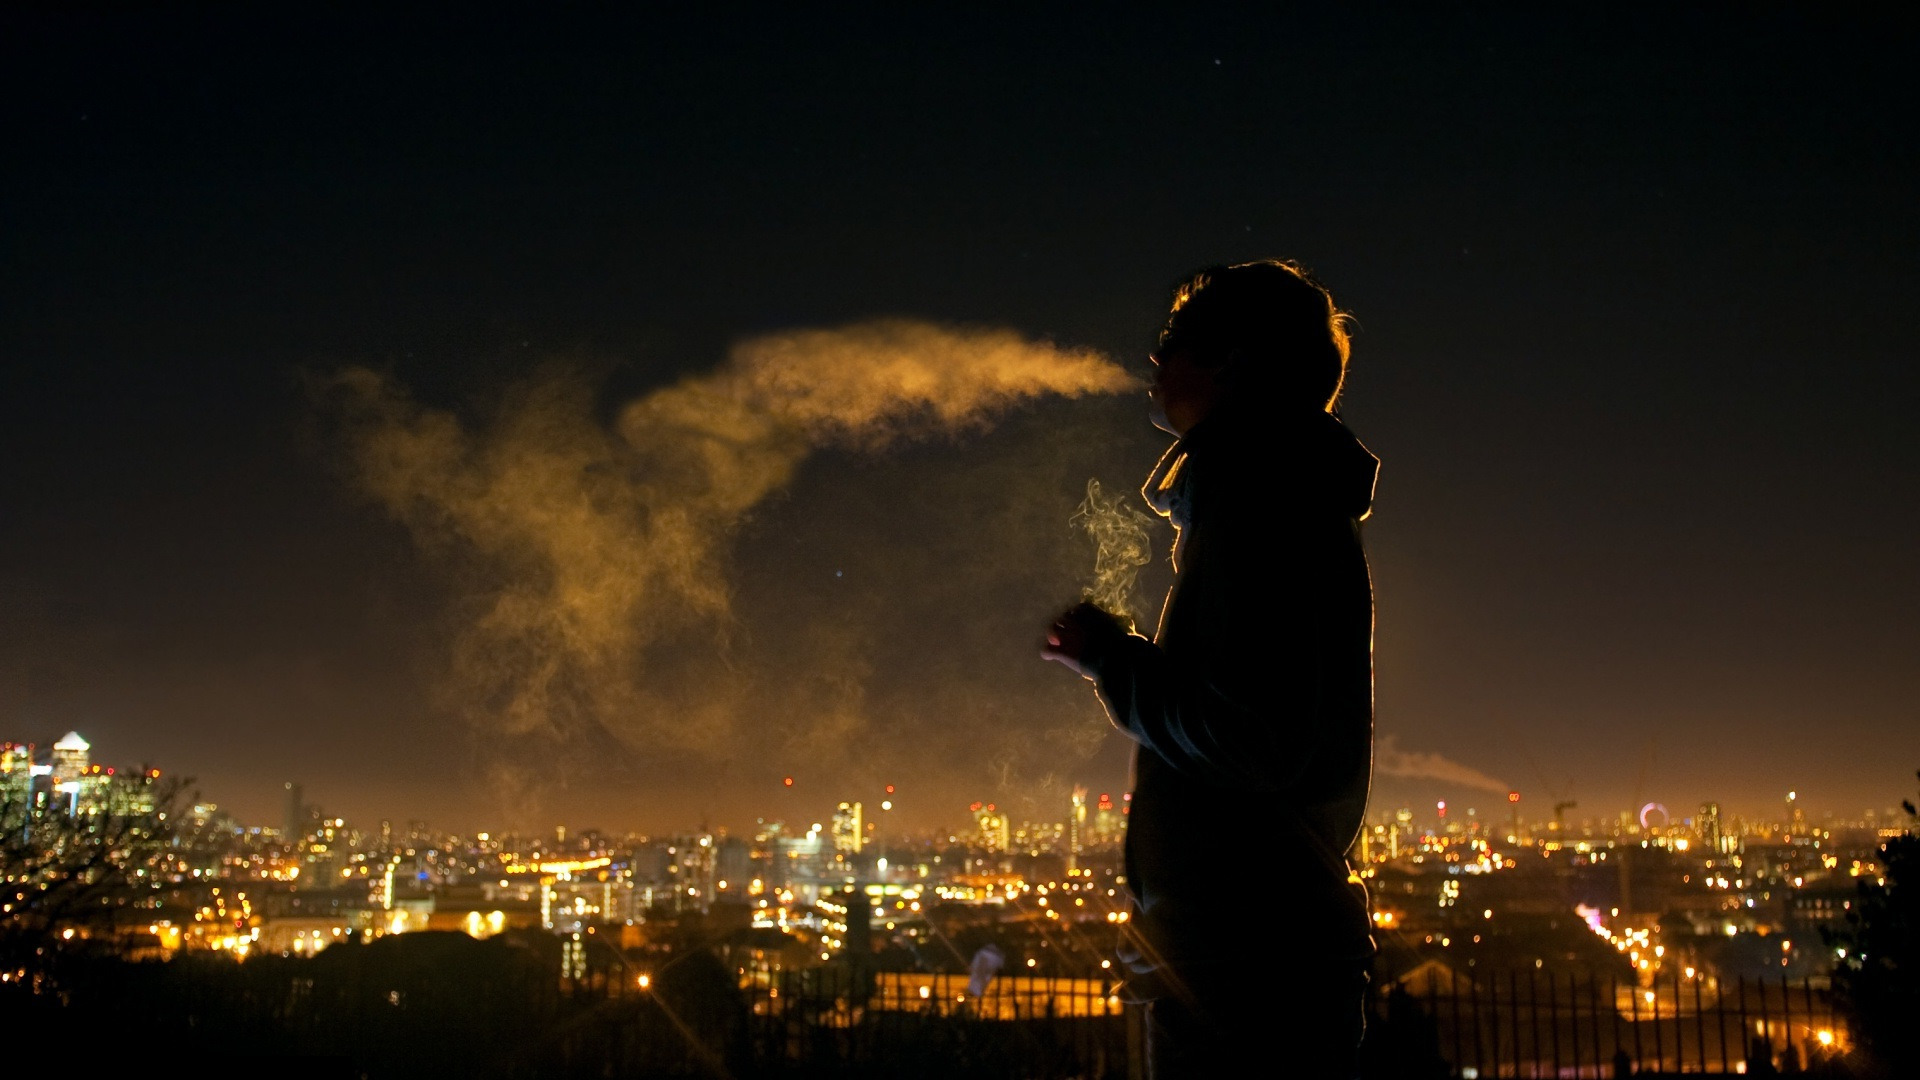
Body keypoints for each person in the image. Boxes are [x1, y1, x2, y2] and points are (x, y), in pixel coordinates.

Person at [1043, 259, 1379, 1077]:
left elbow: (1249, 738)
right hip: (1267, 958)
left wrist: (1111, 661)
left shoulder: (1259, 502)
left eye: (1172, 343)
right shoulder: (1283, 493)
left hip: (1243, 970)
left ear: (1230, 361)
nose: (1154, 363)